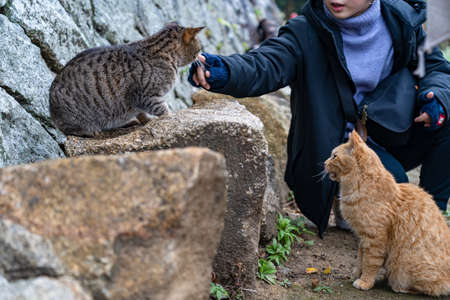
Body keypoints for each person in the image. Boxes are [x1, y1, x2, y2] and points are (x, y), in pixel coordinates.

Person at [188, 0, 450, 236]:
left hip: (390, 130)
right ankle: (343, 195)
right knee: (396, 194)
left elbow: (436, 67)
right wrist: (224, 71)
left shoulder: (401, 20)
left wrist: (435, 97)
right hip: (339, 146)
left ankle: (433, 222)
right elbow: (265, 64)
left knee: (447, 115)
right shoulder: (305, 32)